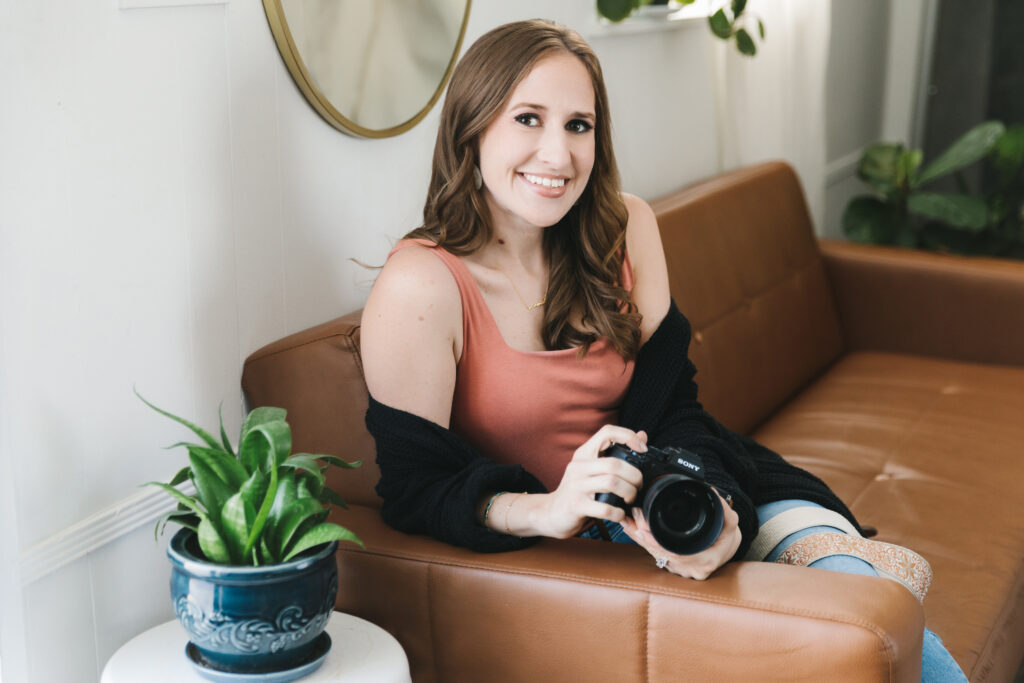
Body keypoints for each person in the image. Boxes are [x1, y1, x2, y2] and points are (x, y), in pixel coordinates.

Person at [360, 18, 966, 682]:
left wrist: (723, 512)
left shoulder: (623, 228)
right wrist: (549, 506)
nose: (558, 156)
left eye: (578, 125)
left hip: (698, 489)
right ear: (472, 127)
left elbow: (677, 409)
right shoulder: (422, 284)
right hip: (583, 556)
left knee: (873, 613)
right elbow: (413, 490)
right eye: (528, 118)